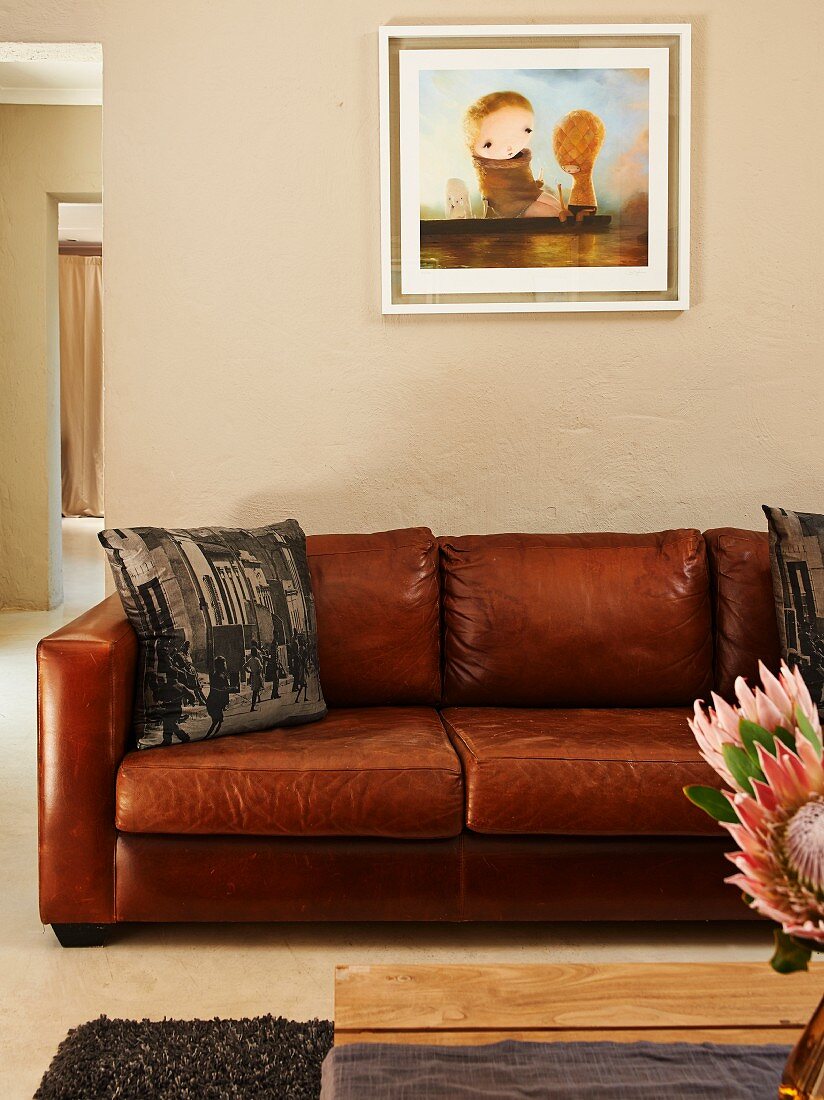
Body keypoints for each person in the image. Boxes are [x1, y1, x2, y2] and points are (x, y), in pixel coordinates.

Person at [463, 91, 564, 220]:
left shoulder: (520, 157)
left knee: (556, 205)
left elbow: (521, 181)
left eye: (526, 131)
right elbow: (493, 192)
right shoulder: (486, 168)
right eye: (488, 144)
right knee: (551, 213)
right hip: (507, 203)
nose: (509, 147)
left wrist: (535, 184)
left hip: (528, 192)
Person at [205, 656, 231, 738]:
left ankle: (209, 737)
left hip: (218, 703)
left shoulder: (223, 675)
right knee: (216, 721)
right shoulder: (215, 676)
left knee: (218, 721)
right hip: (213, 703)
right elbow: (216, 689)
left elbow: (226, 687)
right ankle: (207, 738)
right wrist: (225, 689)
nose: (225, 665)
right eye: (223, 664)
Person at [243, 645, 264, 712]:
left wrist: (249, 671)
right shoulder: (257, 660)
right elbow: (261, 667)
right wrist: (259, 671)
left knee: (256, 690)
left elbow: (244, 666)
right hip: (257, 677)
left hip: (252, 676)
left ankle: (257, 701)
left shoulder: (250, 660)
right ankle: (252, 706)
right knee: (255, 691)